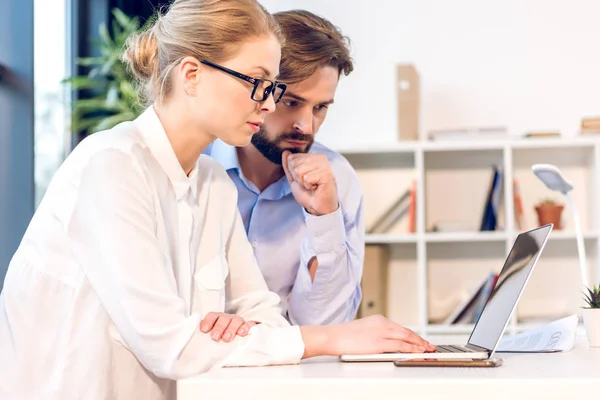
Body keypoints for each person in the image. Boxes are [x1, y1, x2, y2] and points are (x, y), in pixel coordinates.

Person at [0, 1, 435, 399]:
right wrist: (332, 338)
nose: (267, 103)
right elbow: (169, 344)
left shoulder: (211, 182)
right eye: (258, 83)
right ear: (192, 75)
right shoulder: (109, 165)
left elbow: (264, 316)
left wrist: (233, 328)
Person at [206, 10, 363, 325]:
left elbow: (323, 327)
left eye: (320, 108)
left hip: (292, 371)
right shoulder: (198, 167)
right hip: (204, 368)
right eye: (292, 103)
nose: (306, 126)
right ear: (258, 88)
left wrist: (325, 218)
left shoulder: (337, 178)